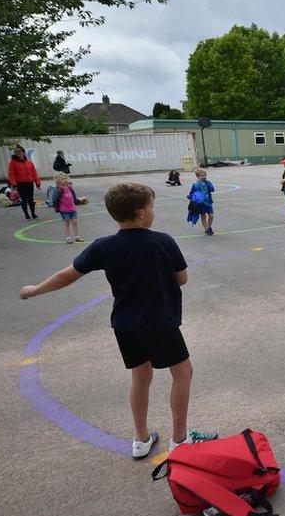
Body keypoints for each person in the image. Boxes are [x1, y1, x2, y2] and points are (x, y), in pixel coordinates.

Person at [18, 183, 217, 457]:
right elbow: (181, 278)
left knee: (140, 375)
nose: (153, 211)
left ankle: (141, 439)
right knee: (182, 373)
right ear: (141, 213)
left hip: (125, 324)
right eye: (151, 206)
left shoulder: (103, 246)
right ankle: (180, 439)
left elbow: (68, 274)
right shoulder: (163, 241)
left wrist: (36, 289)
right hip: (159, 321)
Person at [7, 144, 40, 220]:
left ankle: (33, 214)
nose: (17, 153)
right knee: (24, 199)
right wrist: (14, 185)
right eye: (15, 152)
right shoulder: (12, 163)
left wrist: (37, 183)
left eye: (19, 151)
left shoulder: (29, 163)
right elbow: (11, 174)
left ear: (23, 152)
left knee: (31, 199)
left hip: (29, 183)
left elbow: (34, 173)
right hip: (20, 184)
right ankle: (27, 215)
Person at [49, 172, 82, 244]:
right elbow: (54, 199)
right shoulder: (58, 190)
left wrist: (78, 201)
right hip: (64, 210)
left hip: (72, 209)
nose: (65, 180)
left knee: (75, 222)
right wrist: (57, 207)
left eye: (66, 178)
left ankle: (77, 237)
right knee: (67, 223)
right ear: (58, 181)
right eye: (63, 179)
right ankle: (68, 238)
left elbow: (74, 197)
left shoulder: (69, 189)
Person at [188, 168, 215, 236]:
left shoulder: (207, 182)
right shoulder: (195, 184)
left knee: (211, 215)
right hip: (200, 203)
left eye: (205, 175)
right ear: (197, 176)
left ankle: (209, 226)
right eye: (201, 175)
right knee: (203, 216)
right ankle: (206, 229)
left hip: (208, 202)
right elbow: (192, 192)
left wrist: (207, 183)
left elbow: (212, 189)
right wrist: (191, 197)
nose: (204, 176)